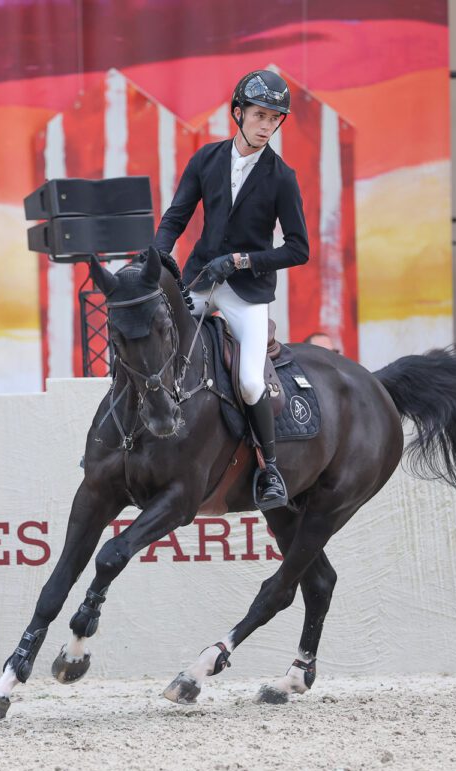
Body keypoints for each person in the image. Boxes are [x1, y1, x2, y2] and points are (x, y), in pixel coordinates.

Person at [153, 69, 309, 511]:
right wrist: (157, 259)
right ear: (238, 113)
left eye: (274, 119)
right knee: (157, 344)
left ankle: (271, 469)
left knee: (248, 380)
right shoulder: (206, 159)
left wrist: (243, 260)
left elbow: (299, 249)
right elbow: (176, 218)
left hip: (246, 294)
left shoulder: (282, 177)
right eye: (259, 115)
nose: (266, 125)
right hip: (201, 280)